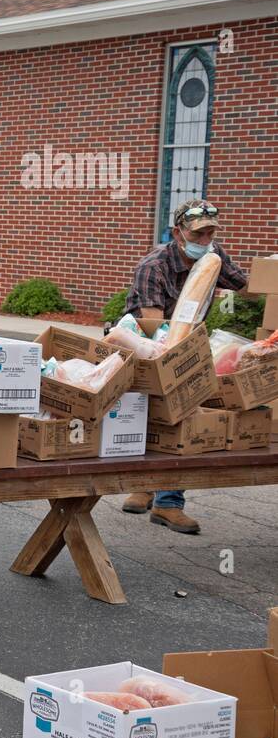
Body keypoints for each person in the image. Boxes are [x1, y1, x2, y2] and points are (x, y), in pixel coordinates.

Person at [119, 199, 250, 534]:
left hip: (185, 342)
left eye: (210, 233)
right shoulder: (154, 266)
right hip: (144, 344)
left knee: (171, 416)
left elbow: (246, 286)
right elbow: (154, 329)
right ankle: (164, 500)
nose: (205, 240)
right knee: (164, 414)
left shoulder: (213, 256)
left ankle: (156, 494)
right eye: (198, 233)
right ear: (178, 232)